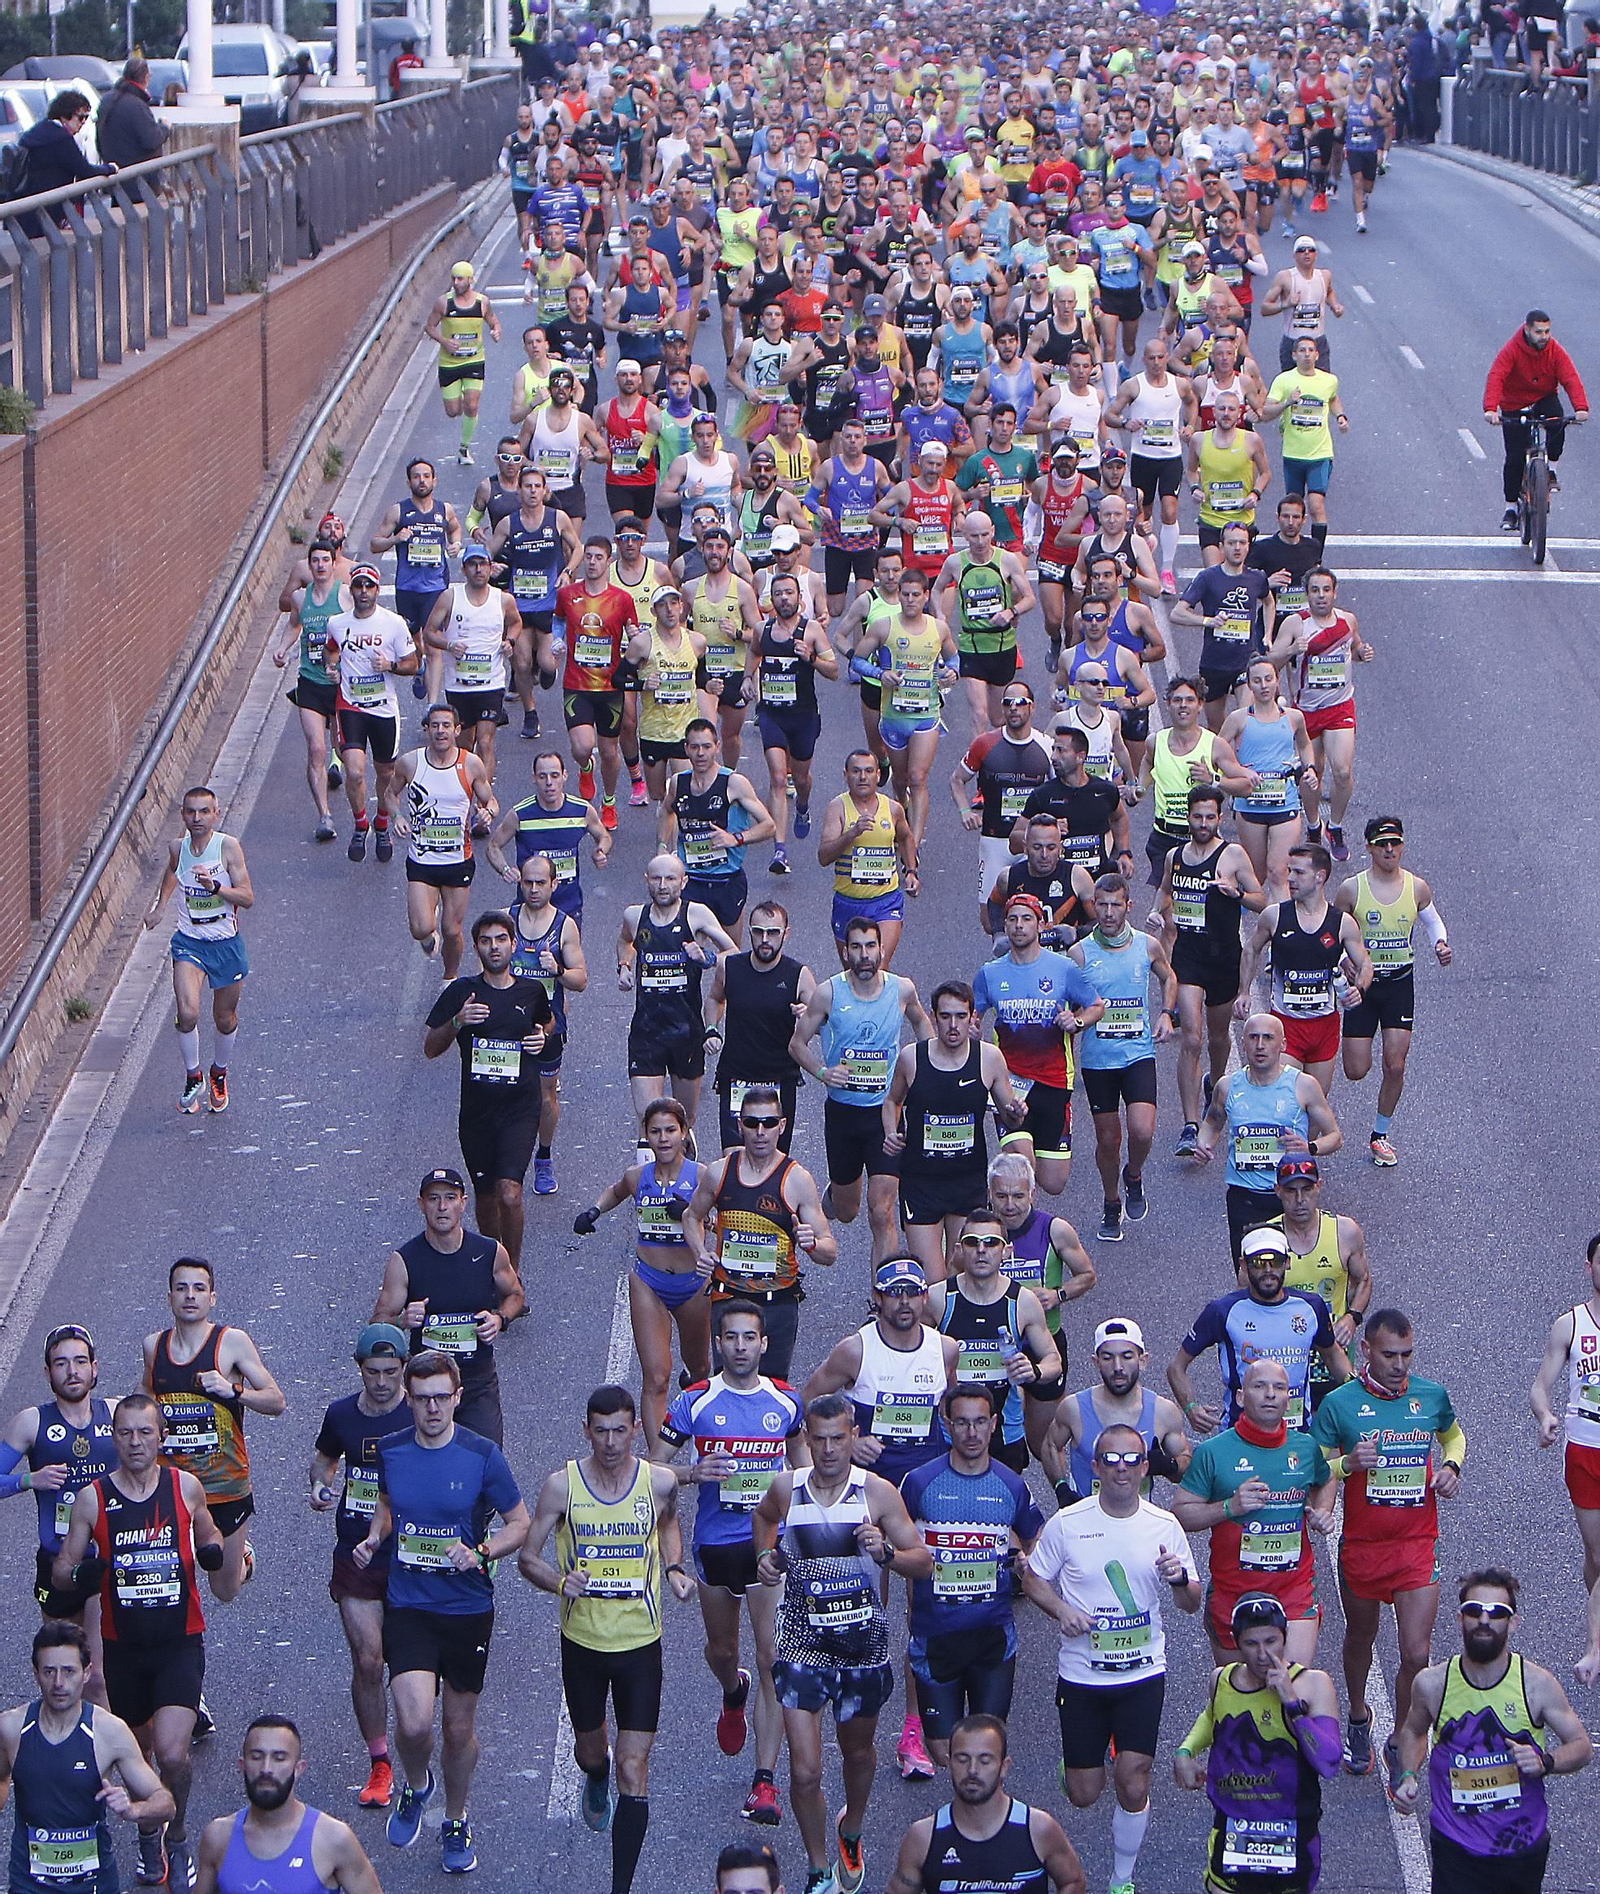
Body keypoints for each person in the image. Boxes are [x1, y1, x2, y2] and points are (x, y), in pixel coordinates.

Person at [752, 1394, 933, 1894]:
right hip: (802, 1643)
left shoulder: (875, 1493)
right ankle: (816, 1869)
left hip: (861, 1647)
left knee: (857, 1754)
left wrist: (889, 1552)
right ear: (806, 1439)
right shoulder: (787, 1489)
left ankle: (850, 1830)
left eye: (839, 1438)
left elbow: (923, 1562)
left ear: (854, 1435)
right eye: (820, 1439)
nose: (830, 1450)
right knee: (806, 1771)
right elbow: (764, 1521)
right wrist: (766, 1557)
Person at [519, 1387, 693, 1894]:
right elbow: (528, 1557)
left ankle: (621, 1887)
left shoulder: (659, 1482)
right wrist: (558, 1581)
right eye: (602, 1430)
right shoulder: (561, 1487)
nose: (611, 1441)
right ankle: (593, 1775)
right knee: (594, 1753)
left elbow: (668, 1526)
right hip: (584, 1643)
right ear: (586, 1430)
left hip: (641, 1641)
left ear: (636, 1429)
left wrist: (676, 1568)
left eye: (621, 1430)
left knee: (633, 1765)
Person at [53, 1394, 227, 1893]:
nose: (135, 1442)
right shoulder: (93, 1497)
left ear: (161, 1437)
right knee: (139, 1756)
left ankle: (176, 1834)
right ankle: (149, 1831)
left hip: (179, 1642)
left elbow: (208, 1532)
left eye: (145, 1433)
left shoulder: (184, 1487)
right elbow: (63, 1569)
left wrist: (212, 1551)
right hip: (123, 1647)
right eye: (125, 1433)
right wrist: (85, 1573)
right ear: (114, 1438)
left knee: (173, 1755)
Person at [1022, 1422, 1201, 1894]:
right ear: (1096, 1467)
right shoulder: (1069, 1523)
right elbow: (1033, 1579)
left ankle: (1122, 1879)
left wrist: (1180, 1578)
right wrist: (1062, 1609)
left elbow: (1191, 1602)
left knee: (1134, 1780)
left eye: (1131, 1460)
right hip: (1082, 1675)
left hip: (1143, 1671)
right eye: (1110, 1460)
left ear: (1144, 1467)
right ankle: (1075, 1768)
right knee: (1085, 1795)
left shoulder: (1164, 1526)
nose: (1121, 1469)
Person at [653, 1301, 806, 1826]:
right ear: (718, 1343)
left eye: (750, 1338)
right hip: (714, 1544)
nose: (740, 1346)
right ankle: (730, 1689)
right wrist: (694, 1473)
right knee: (723, 1652)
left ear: (764, 1344)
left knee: (772, 1657)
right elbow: (651, 1468)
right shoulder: (694, 1401)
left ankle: (764, 1782)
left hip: (768, 1545)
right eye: (731, 1338)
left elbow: (805, 1470)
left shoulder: (786, 1402)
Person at [1312, 1309, 1465, 1784]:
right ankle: (1358, 1715)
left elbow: (1453, 1436)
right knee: (1361, 1636)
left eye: (1406, 1354)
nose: (1400, 1365)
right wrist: (1347, 1464)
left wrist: (1452, 1468)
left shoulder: (1429, 1395)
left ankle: (1403, 1738)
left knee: (1416, 1654)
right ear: (1366, 1352)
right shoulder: (1340, 1404)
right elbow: (1314, 1464)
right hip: (1363, 1545)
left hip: (1417, 1544)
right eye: (1389, 1355)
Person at [1393, 1568, 1593, 1890]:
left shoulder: (1536, 1685)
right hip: (1455, 1845)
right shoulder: (1433, 1684)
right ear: (1460, 1619)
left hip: (1520, 1849)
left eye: (1497, 1612)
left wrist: (1546, 1762)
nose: (1484, 1620)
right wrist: (1407, 1775)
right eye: (1474, 1611)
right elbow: (1414, 1731)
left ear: (1512, 1623)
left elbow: (1582, 1746)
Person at [898, 1391, 1045, 1766]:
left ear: (994, 1424)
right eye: (961, 1422)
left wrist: (1030, 1561)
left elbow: (1037, 1539)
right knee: (945, 1752)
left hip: (992, 1638)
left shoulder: (1011, 1486)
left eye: (980, 1421)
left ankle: (981, 1821)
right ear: (947, 1426)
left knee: (987, 1748)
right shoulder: (918, 1483)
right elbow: (895, 1544)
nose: (972, 1432)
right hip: (936, 1636)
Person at [1172, 1593, 1342, 1894]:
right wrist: (1186, 1751)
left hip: (1292, 1832)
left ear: (1284, 1638)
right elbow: (1212, 1716)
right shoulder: (1221, 1679)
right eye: (1252, 1643)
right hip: (1232, 1827)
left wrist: (1291, 1703)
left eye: (1272, 1641)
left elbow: (1329, 1761)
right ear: (1237, 1643)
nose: (1263, 1654)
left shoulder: (1313, 1684)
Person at [309, 1324, 414, 1811]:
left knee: (412, 1666)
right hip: (355, 1550)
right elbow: (324, 1458)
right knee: (369, 1660)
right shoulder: (341, 1415)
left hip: (413, 1555)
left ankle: (417, 1754)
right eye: (373, 1372)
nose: (382, 1382)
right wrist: (320, 1485)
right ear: (359, 1369)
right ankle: (380, 1762)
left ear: (405, 1370)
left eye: (392, 1372)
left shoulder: (422, 1415)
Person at [1171, 1360, 1336, 1665]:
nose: (1270, 1394)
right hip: (1234, 1592)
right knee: (1239, 1695)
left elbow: (1327, 1481)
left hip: (1294, 1589)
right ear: (1240, 1397)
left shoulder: (1305, 1448)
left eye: (1279, 1388)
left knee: (1293, 1685)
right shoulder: (1214, 1452)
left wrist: (1324, 1510)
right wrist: (1229, 1507)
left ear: (1290, 1398)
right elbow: (1181, 1513)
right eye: (1259, 1386)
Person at [789, 918, 930, 1264]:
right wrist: (824, 1072)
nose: (864, 955)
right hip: (844, 1115)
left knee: (881, 1211)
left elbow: (921, 1023)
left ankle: (884, 1294)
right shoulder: (828, 993)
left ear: (882, 950)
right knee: (848, 1210)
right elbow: (796, 1044)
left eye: (871, 946)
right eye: (856, 947)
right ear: (845, 951)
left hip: (886, 1114)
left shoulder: (902, 990)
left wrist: (927, 1066)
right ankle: (835, 1198)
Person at [143, 1258, 283, 1604]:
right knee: (167, 1580)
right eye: (182, 1288)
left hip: (225, 1485)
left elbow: (276, 1401)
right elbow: (143, 1401)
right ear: (170, 1297)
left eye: (199, 1288)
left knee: (224, 1591)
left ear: (212, 1298)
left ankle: (243, 1557)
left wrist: (233, 1390)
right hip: (171, 1485)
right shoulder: (154, 1347)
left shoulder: (231, 1342)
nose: (190, 1296)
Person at [421, 911, 554, 1273]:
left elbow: (547, 1021)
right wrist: (458, 1021)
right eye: (485, 941)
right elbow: (431, 1047)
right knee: (486, 1196)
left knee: (510, 1193)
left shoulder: (530, 991)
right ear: (476, 947)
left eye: (500, 940)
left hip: (519, 1109)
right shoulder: (463, 992)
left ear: (513, 945)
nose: (493, 948)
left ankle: (511, 1274)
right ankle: (493, 1265)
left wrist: (542, 1037)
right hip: (478, 1113)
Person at [0, 1621, 173, 1894]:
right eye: (49, 1672)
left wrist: (134, 1810)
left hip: (94, 1886)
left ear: (86, 1673)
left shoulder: (109, 1731)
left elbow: (165, 1804)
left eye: (68, 1671)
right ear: (36, 1674)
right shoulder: (11, 1729)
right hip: (28, 1885)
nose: (59, 1683)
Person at [574, 1098, 710, 1446]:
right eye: (655, 1131)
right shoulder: (639, 1177)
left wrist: (696, 1214)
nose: (663, 1139)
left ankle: (698, 1431)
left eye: (670, 1130)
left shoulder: (703, 1176)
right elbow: (616, 1191)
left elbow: (724, 1215)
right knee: (657, 1377)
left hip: (693, 1284)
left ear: (684, 1134)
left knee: (699, 1371)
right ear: (645, 1135)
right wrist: (593, 1212)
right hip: (649, 1281)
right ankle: (657, 1459)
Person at [371, 1168, 523, 1446]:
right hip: (425, 1385)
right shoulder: (405, 1260)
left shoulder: (489, 1252)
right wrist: (403, 1321)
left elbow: (515, 1294)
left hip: (476, 1382)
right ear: (421, 1204)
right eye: (434, 1199)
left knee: (485, 1459)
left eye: (450, 1198)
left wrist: (500, 1319)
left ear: (464, 1202)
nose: (442, 1207)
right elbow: (378, 1322)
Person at [1332, 815, 1451, 1166]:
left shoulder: (1417, 888)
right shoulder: (1351, 889)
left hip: (1399, 983)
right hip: (1363, 988)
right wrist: (1343, 959)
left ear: (1402, 846)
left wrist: (1441, 945)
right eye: (1382, 844)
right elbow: (1332, 929)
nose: (1389, 849)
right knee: (1356, 1070)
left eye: (1395, 843)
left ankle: (1380, 1135)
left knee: (1396, 1065)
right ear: (1369, 847)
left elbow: (1432, 921)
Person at [884, 989, 1026, 1282]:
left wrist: (1017, 1111)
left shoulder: (988, 1058)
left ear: (972, 1017)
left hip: (967, 1182)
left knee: (966, 1276)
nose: (953, 1025)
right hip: (921, 1182)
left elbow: (1008, 1115)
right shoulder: (913, 1058)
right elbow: (892, 1101)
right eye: (945, 1017)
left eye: (960, 1017)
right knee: (934, 1284)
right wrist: (890, 1132)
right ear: (934, 1018)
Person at [0, 1324, 116, 1678]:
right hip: (57, 1561)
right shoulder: (31, 1422)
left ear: (94, 1368)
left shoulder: (117, 1414)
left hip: (108, 1557)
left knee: (96, 1674)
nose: (72, 1371)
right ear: (48, 1372)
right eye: (61, 1363)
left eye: (80, 1361)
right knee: (66, 1670)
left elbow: (160, 1473)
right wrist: (28, 1480)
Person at [1069, 873, 1178, 1243]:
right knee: (1107, 1140)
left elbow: (1168, 977)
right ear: (1094, 905)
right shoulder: (1080, 953)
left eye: (1116, 905)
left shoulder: (1147, 946)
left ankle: (1134, 1175)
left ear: (1128, 906)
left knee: (1143, 1130)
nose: (1109, 912)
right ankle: (1111, 1201)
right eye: (1102, 904)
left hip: (1137, 1054)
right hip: (1099, 1060)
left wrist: (1167, 1013)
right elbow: (1069, 1006)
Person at [972, 895, 1103, 1200]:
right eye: (1013, 919)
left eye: (1026, 919)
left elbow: (1096, 1005)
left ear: (1040, 924)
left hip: (1054, 1081)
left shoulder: (1064, 968)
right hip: (1009, 1082)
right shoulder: (990, 974)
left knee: (1054, 1182)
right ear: (1005, 925)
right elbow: (972, 1015)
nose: (1019, 926)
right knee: (1022, 1167)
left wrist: (1078, 1022)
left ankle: (1009, 1203)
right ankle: (1007, 1221)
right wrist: (972, 1029)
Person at [1157, 784, 1264, 1155]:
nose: (1202, 823)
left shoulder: (1232, 854)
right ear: (1188, 816)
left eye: (1209, 817)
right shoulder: (1176, 855)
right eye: (1197, 816)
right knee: (1191, 1038)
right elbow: (1166, 891)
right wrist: (1158, 913)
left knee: (1219, 1038)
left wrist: (1238, 895)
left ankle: (1214, 1089)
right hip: (1188, 957)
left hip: (1223, 957)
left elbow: (1261, 899)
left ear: (1219, 819)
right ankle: (1189, 1126)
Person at [1193, 1014, 1344, 1257]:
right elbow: (1212, 1122)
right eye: (1253, 1038)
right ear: (1244, 1043)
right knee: (1250, 1274)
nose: (1260, 1045)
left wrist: (1310, 1148)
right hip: (1245, 1196)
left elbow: (1335, 1136)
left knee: (1292, 1273)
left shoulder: (1303, 1085)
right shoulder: (1227, 1086)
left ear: (1282, 1045)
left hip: (1292, 1195)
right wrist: (1202, 1143)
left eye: (1268, 1038)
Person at [143, 788, 254, 1116]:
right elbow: (173, 871)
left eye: (204, 812)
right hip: (189, 943)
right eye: (191, 812)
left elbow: (248, 898)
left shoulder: (228, 848)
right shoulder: (178, 847)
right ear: (183, 816)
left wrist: (216, 888)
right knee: (188, 1013)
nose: (197, 818)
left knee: (224, 1018)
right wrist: (160, 907)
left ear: (216, 814)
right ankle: (194, 1076)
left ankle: (219, 1072)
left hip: (225, 946)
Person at [883, 1714, 1085, 1894]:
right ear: (949, 1763)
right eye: (962, 1759)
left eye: (985, 1760)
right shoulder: (924, 1837)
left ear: (1004, 1767)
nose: (972, 1770)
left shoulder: (1038, 1829)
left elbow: (1073, 1882)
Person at [1239, 841, 1370, 1098]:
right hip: (1286, 1025)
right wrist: (1244, 991)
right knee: (1286, 1099)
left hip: (1324, 1027)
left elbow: (1365, 963)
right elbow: (1251, 949)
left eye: (1299, 872)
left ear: (1320, 877)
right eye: (1289, 871)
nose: (1290, 878)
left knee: (1314, 1105)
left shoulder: (1342, 923)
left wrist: (1360, 988)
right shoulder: (1274, 916)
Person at [192, 1716, 381, 1894]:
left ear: (298, 1769)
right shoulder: (218, 1837)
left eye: (279, 1758)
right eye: (256, 1757)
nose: (266, 1769)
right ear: (242, 1765)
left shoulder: (333, 1839)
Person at [619, 854, 738, 1134]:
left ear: (683, 882)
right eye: (656, 878)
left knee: (683, 1121)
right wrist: (624, 966)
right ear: (646, 880)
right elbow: (625, 941)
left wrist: (706, 957)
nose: (663, 885)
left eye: (670, 878)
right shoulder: (635, 916)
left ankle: (685, 1160)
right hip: (646, 1032)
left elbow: (733, 953)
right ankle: (652, 1173)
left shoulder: (696, 914)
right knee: (651, 1122)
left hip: (686, 1031)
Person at [1530, 1236, 1600, 1686]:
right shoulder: (1570, 1325)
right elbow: (1539, 1386)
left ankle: (1596, 1647)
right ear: (1589, 1266)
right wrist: (1546, 1416)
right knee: (1595, 1554)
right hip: (1586, 1447)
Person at [386, 704, 497, 979]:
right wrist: (397, 816)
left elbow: (490, 800)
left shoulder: (470, 764)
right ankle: (427, 931)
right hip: (422, 859)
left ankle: (451, 976)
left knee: (451, 930)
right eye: (435, 725)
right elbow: (390, 794)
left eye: (446, 725)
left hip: (458, 860)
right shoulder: (411, 763)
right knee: (420, 929)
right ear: (426, 730)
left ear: (457, 730)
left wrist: (487, 812)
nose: (440, 731)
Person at [1042, 1317, 1192, 1509]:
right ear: (1096, 1362)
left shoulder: (1163, 1412)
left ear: (1143, 1360)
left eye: (1127, 1356)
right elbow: (1051, 1446)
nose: (1118, 1367)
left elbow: (1185, 1462)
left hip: (1139, 1525)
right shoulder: (1074, 1408)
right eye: (1107, 1358)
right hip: (1085, 1522)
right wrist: (1061, 1489)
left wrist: (1168, 1465)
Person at [325, 563, 421, 862]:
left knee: (385, 773)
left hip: (383, 708)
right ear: (351, 590)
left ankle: (381, 823)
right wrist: (332, 667)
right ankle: (360, 823)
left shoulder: (393, 623)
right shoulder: (337, 623)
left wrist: (389, 666)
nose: (363, 592)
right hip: (351, 704)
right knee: (354, 771)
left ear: (377, 590)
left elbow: (413, 664)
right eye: (358, 586)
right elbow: (331, 649)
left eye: (369, 586)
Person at [702, 901, 814, 1153]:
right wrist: (711, 1028)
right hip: (737, 1078)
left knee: (774, 1162)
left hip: (779, 1079)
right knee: (733, 1160)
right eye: (758, 931)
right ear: (750, 931)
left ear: (786, 934)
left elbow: (822, 1020)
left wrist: (808, 1016)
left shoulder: (799, 975)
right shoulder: (729, 966)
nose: (765, 939)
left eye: (773, 932)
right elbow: (715, 999)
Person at [506, 851, 586, 1195]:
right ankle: (509, 1158)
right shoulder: (505, 921)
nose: (534, 889)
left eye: (541, 883)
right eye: (528, 882)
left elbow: (580, 980)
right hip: (507, 1024)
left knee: (545, 1095)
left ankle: (544, 1157)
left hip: (547, 1024)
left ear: (554, 885)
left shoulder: (564, 926)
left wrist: (558, 970)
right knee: (503, 1091)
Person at [1483, 309, 1589, 531]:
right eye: (1539, 332)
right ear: (1527, 330)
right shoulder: (1512, 350)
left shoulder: (1555, 351)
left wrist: (1581, 407)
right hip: (1514, 402)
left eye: (1547, 331)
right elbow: (1497, 376)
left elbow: (1570, 377)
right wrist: (1491, 409)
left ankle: (1551, 470)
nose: (1544, 336)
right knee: (1514, 458)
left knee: (1557, 423)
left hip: (1543, 397)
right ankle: (1511, 508)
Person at [272, 541, 346, 841]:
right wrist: (281, 648)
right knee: (317, 749)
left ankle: (359, 815)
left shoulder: (344, 594)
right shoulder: (301, 598)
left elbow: (358, 628)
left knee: (345, 751)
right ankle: (324, 816)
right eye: (314, 561)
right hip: (311, 682)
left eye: (325, 560)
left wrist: (344, 662)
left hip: (341, 685)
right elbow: (294, 625)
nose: (319, 566)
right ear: (310, 565)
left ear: (332, 563)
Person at [425, 262, 502, 463]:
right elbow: (430, 327)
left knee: (472, 404)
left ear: (470, 280)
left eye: (460, 279)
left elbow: (494, 321)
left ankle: (464, 448)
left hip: (474, 361)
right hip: (449, 363)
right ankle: (458, 399)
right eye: (454, 279)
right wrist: (443, 341)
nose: (456, 283)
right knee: (452, 412)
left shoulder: (482, 302)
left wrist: (496, 331)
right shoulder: (443, 303)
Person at [96, 59, 169, 168]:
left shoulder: (107, 99)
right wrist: (164, 127)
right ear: (146, 78)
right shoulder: (136, 105)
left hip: (112, 170)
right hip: (137, 174)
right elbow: (151, 140)